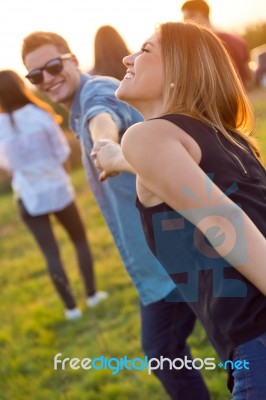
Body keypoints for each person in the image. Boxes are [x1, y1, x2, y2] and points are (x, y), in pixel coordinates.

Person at [21, 31, 211, 399]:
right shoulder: (77, 108)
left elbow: (102, 117)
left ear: (73, 60)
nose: (47, 79)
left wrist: (105, 143)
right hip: (163, 258)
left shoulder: (97, 93)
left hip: (173, 257)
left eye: (53, 66)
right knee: (210, 343)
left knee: (176, 348)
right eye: (35, 76)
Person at [92, 22, 266, 398]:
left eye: (146, 49)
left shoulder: (146, 136)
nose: (127, 57)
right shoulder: (229, 139)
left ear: (180, 69)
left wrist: (123, 153)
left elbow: (225, 219)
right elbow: (175, 178)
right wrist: (119, 158)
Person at [0, 70, 108, 321]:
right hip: (58, 188)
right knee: (79, 241)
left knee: (51, 253)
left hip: (28, 196)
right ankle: (91, 295)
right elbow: (61, 152)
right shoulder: (40, 114)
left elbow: (6, 165)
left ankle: (71, 309)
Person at [180, 0, 252, 88]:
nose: (184, 22)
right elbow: (249, 76)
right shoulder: (237, 40)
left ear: (198, 15)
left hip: (217, 99)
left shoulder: (199, 45)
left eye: (186, 18)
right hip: (242, 97)